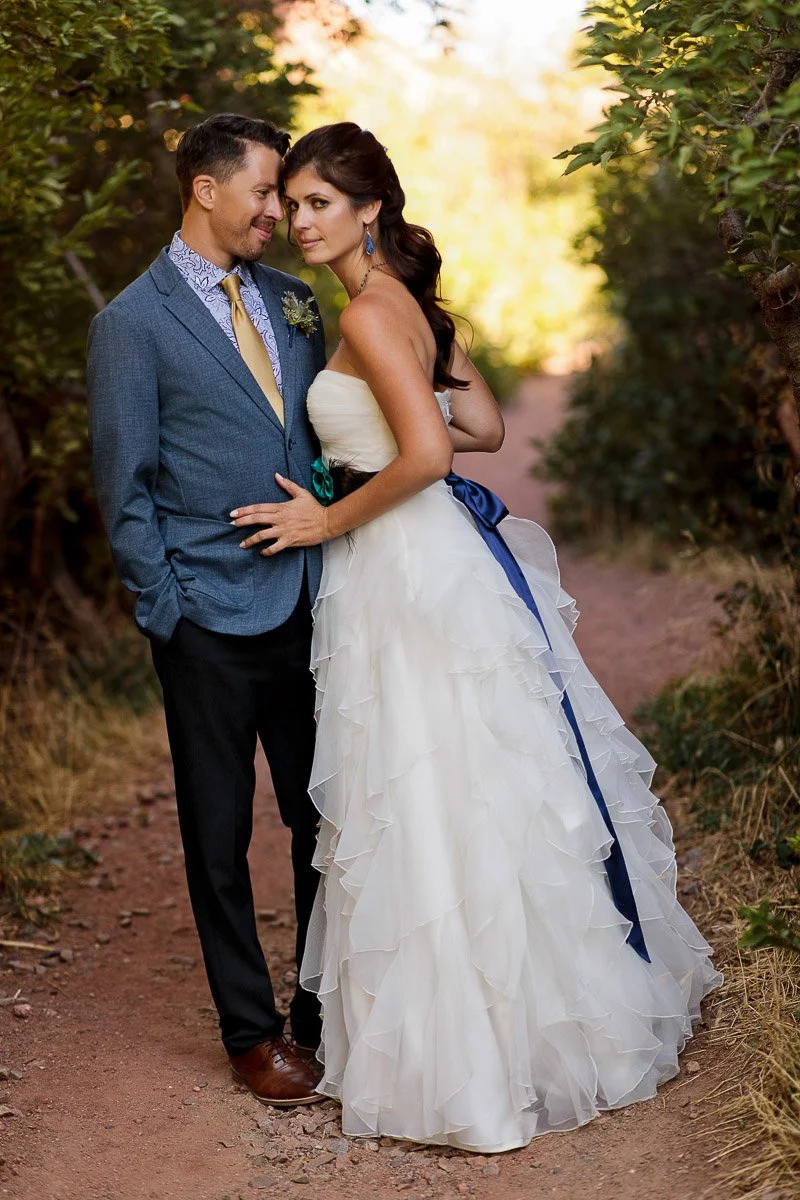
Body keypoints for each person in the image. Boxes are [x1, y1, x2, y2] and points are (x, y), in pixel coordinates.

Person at [229, 121, 723, 1152]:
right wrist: (401, 423)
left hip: (400, 564)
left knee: (419, 779)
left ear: (370, 209)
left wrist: (329, 512)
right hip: (432, 558)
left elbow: (420, 455)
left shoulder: (368, 313)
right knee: (464, 780)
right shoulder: (407, 305)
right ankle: (512, 1026)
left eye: (320, 202)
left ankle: (463, 1055)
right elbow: (484, 428)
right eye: (296, 203)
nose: (301, 220)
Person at [87, 113, 328, 1107]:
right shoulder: (131, 325)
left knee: (329, 820)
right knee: (218, 832)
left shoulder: (298, 303)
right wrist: (166, 606)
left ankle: (323, 1009)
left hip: (313, 605)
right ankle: (250, 1031)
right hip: (204, 620)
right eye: (266, 190)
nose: (279, 211)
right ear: (205, 189)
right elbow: (124, 482)